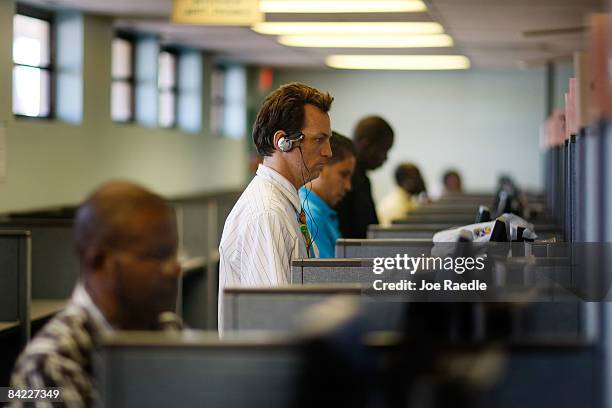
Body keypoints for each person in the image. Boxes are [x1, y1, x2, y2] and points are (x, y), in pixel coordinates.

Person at [10, 181, 183, 407]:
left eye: (173, 254)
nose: (174, 269)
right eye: (156, 256)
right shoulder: (51, 363)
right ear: (99, 262)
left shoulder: (167, 328)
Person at [218, 82, 333, 330]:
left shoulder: (282, 204)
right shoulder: (268, 214)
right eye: (319, 140)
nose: (328, 152)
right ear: (283, 142)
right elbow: (274, 323)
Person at [335, 116, 394, 238]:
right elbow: (362, 232)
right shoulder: (353, 180)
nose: (386, 158)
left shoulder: (361, 177)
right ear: (365, 145)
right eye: (384, 150)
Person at [299, 132, 356, 258]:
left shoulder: (318, 211)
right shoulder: (312, 218)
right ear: (321, 166)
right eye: (343, 175)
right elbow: (328, 275)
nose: (348, 186)